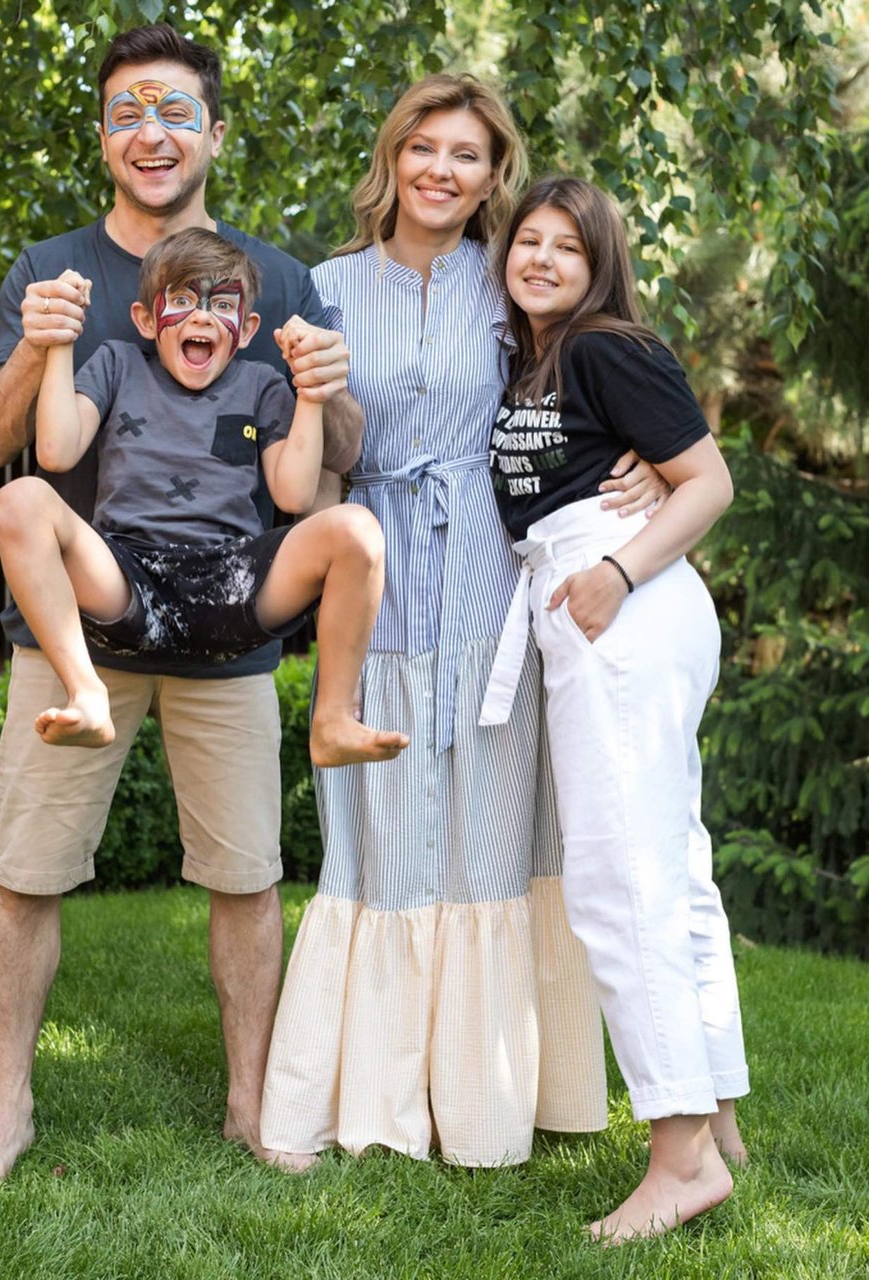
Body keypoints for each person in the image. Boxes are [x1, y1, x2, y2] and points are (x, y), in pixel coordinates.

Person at [0, 23, 365, 1189]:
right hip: (80, 621)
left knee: (243, 873)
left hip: (227, 626)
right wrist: (37, 353)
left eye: (176, 110)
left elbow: (334, 458)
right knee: (28, 868)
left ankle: (246, 1104)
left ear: (214, 133)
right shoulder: (49, 270)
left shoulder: (278, 277)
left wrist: (333, 402)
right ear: (103, 133)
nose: (153, 133)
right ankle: (8, 1109)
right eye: (129, 110)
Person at [260, 76, 669, 1168]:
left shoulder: (513, 281)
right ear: (392, 157)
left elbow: (600, 370)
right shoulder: (326, 288)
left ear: (495, 174)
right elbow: (313, 464)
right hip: (377, 569)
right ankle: (374, 1100)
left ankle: (490, 1101)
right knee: (381, 824)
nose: (443, 170)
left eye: (469, 155)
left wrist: (637, 457)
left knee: (491, 820)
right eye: (424, 148)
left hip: (499, 574)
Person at [479, 175, 749, 1241]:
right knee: (668, 863)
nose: (540, 258)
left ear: (600, 268)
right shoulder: (545, 360)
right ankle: (716, 1110)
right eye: (527, 241)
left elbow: (709, 480)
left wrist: (617, 574)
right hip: (599, 593)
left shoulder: (603, 345)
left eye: (566, 247)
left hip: (616, 601)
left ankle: (677, 1156)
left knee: (616, 874)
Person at [0, 228, 406, 767]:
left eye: (222, 304)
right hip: (127, 577)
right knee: (19, 500)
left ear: (247, 328)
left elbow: (294, 491)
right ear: (146, 319)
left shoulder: (261, 384)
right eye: (182, 300)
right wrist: (61, 341)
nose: (203, 317)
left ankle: (332, 719)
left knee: (357, 528)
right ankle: (85, 693)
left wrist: (309, 391)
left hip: (233, 580)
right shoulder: (118, 364)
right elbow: (56, 451)